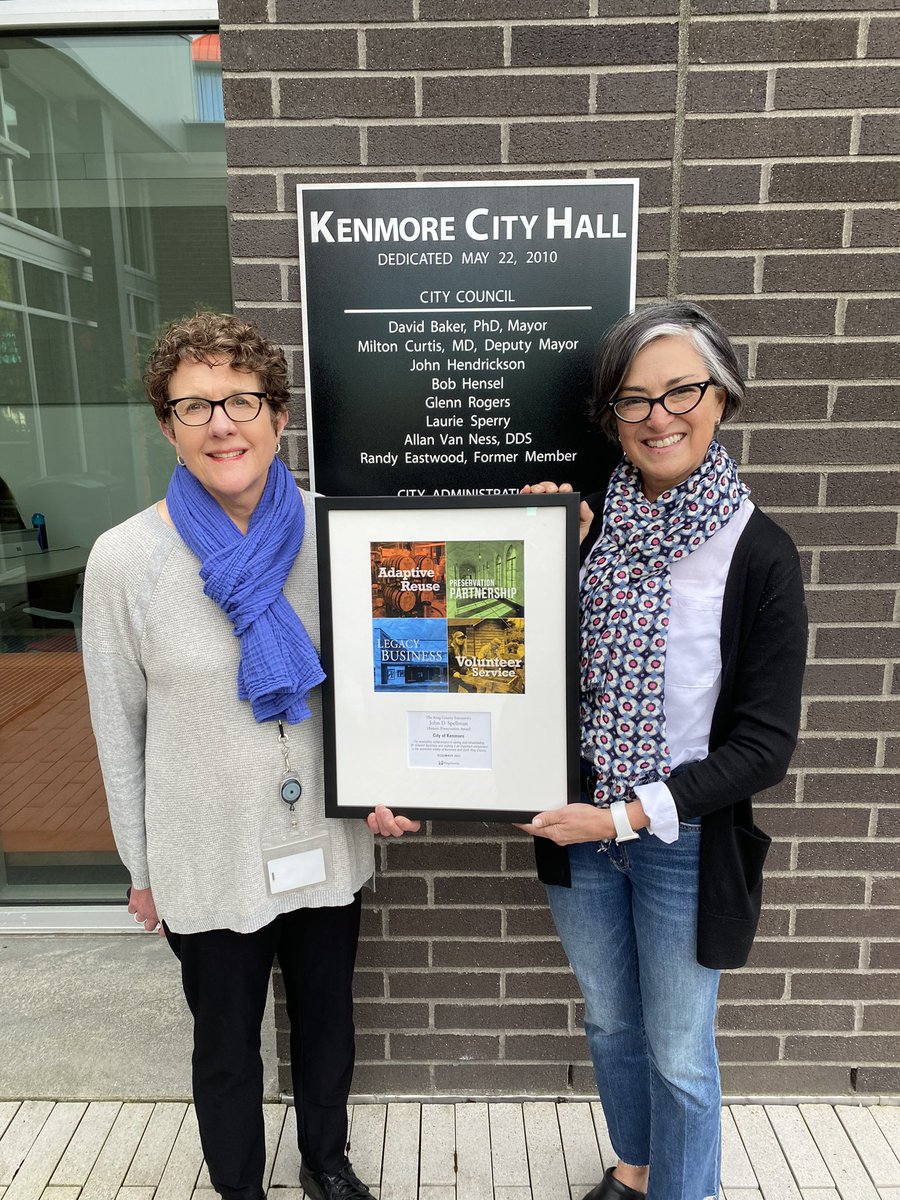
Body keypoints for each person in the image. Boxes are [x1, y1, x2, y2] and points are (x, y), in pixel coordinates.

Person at [82, 312, 417, 1200]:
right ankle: (238, 1184)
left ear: (278, 416)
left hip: (325, 834)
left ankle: (326, 1161)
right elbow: (118, 729)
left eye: (241, 399)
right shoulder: (126, 560)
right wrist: (139, 865)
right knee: (224, 1043)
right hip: (204, 848)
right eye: (194, 405)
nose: (221, 423)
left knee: (327, 1025)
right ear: (166, 425)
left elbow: (390, 679)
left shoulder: (337, 535)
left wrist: (397, 778)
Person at [520, 302, 807, 1200]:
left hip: (680, 839)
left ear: (721, 398)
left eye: (681, 389)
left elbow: (765, 745)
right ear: (612, 418)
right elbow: (527, 670)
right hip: (583, 833)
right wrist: (539, 559)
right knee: (610, 1021)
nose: (657, 415)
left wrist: (631, 812)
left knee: (680, 1048)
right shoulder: (592, 532)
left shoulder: (758, 554)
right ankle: (637, 1171)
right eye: (633, 400)